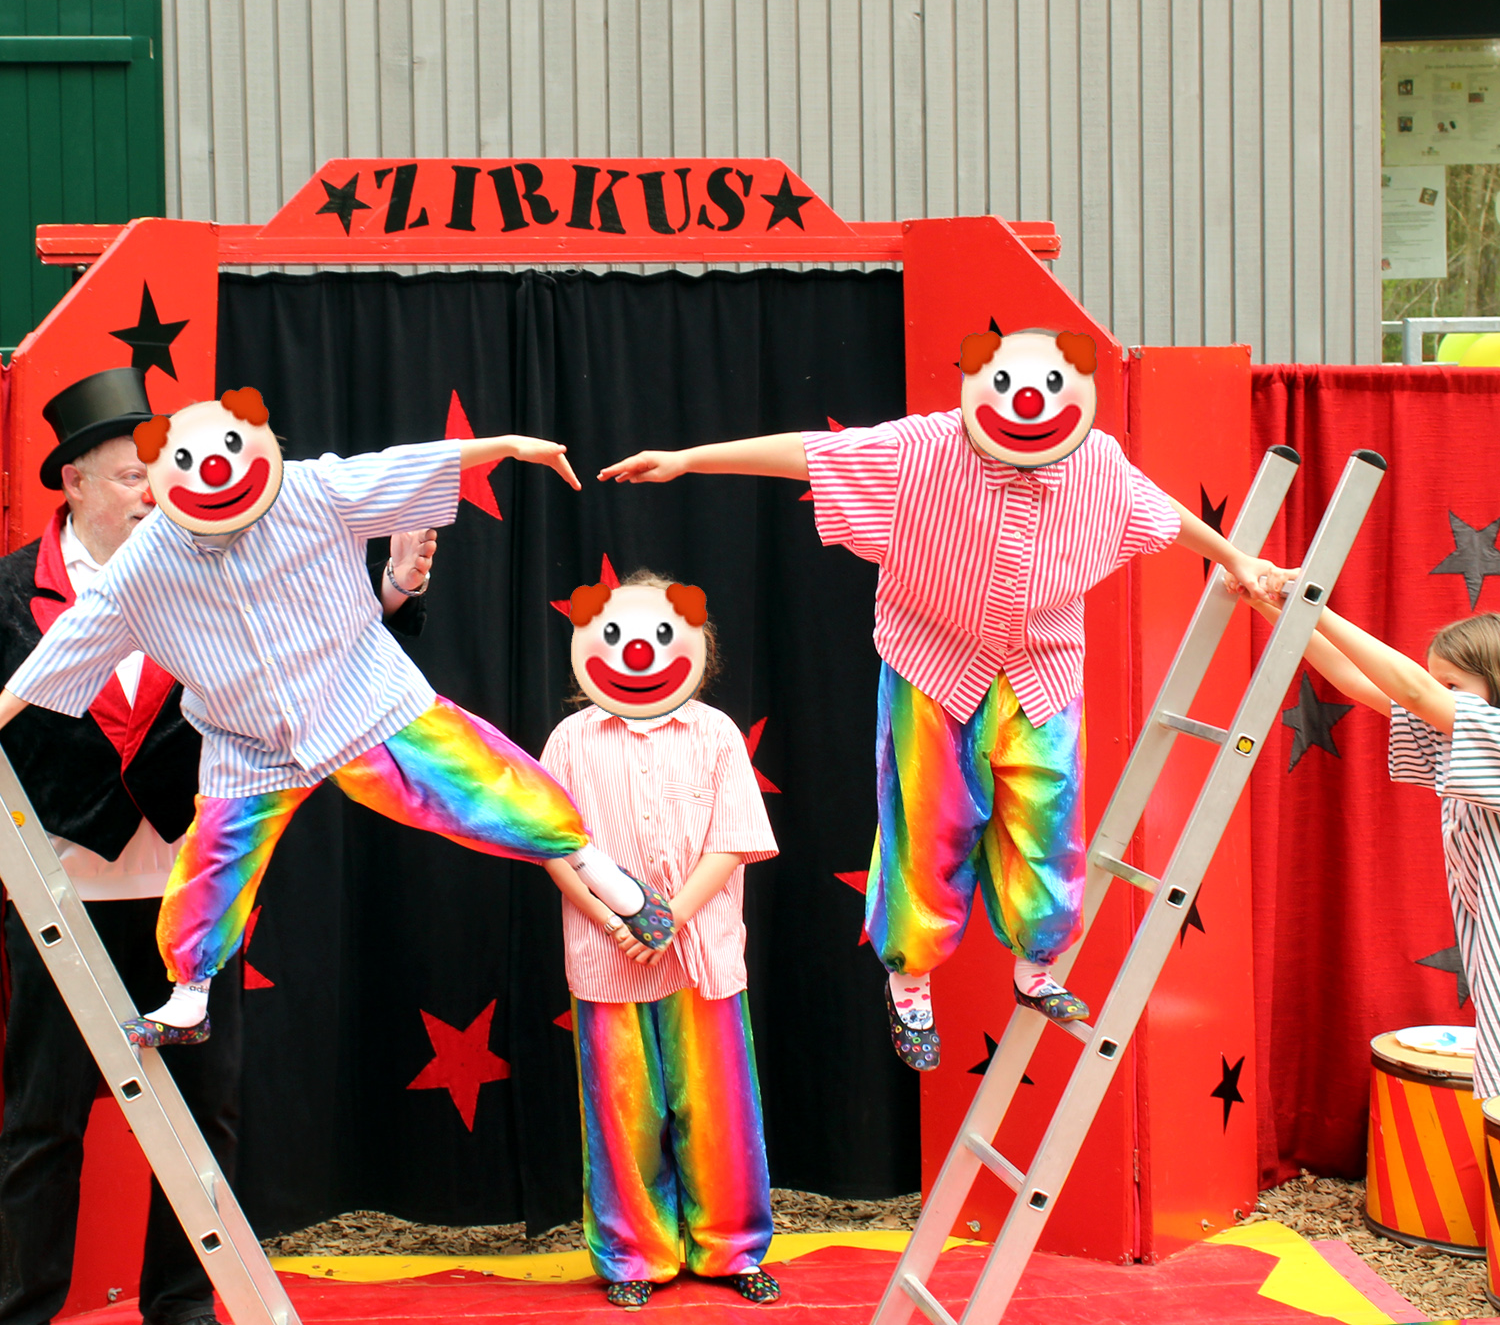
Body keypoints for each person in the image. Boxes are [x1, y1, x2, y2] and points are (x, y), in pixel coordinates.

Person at [599, 325, 1288, 1070]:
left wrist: (1235, 559)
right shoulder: (921, 448)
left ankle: (1038, 970)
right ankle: (910, 982)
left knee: (1047, 817)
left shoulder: (1099, 463)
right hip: (935, 668)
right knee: (930, 823)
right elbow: (809, 452)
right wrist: (691, 461)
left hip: (1040, 670)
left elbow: (1158, 510)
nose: (1029, 404)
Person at [0, 388, 668, 1048]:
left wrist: (506, 445)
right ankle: (189, 996)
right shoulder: (143, 562)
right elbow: (62, 650)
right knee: (214, 860)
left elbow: (405, 463)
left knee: (477, 782)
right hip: (248, 740)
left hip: (362, 703)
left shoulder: (314, 487)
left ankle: (595, 865)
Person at [0, 367, 435, 1325]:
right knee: (40, 1123)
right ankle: (20, 1308)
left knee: (204, 1114)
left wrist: (395, 592)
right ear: (70, 482)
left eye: (158, 477)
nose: (155, 495)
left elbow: (322, 660)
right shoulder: (6, 595)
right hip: (59, 904)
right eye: (128, 479)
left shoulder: (223, 564)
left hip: (193, 896)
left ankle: (186, 1306)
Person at [542, 572, 780, 1309]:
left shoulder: (713, 734)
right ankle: (631, 1258)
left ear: (696, 648)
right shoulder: (571, 739)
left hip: (700, 950)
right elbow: (551, 844)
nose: (637, 650)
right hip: (603, 958)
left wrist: (669, 917)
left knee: (717, 1106)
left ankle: (732, 1248)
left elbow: (734, 838)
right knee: (622, 1111)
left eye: (656, 634)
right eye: (614, 634)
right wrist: (617, 923)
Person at [1243, 588, 1500, 1100]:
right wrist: (1273, 604)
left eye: (1451, 683)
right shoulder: (1451, 732)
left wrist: (1318, 605)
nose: (1431, 692)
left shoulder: (1490, 733)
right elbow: (1352, 678)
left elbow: (1415, 694)